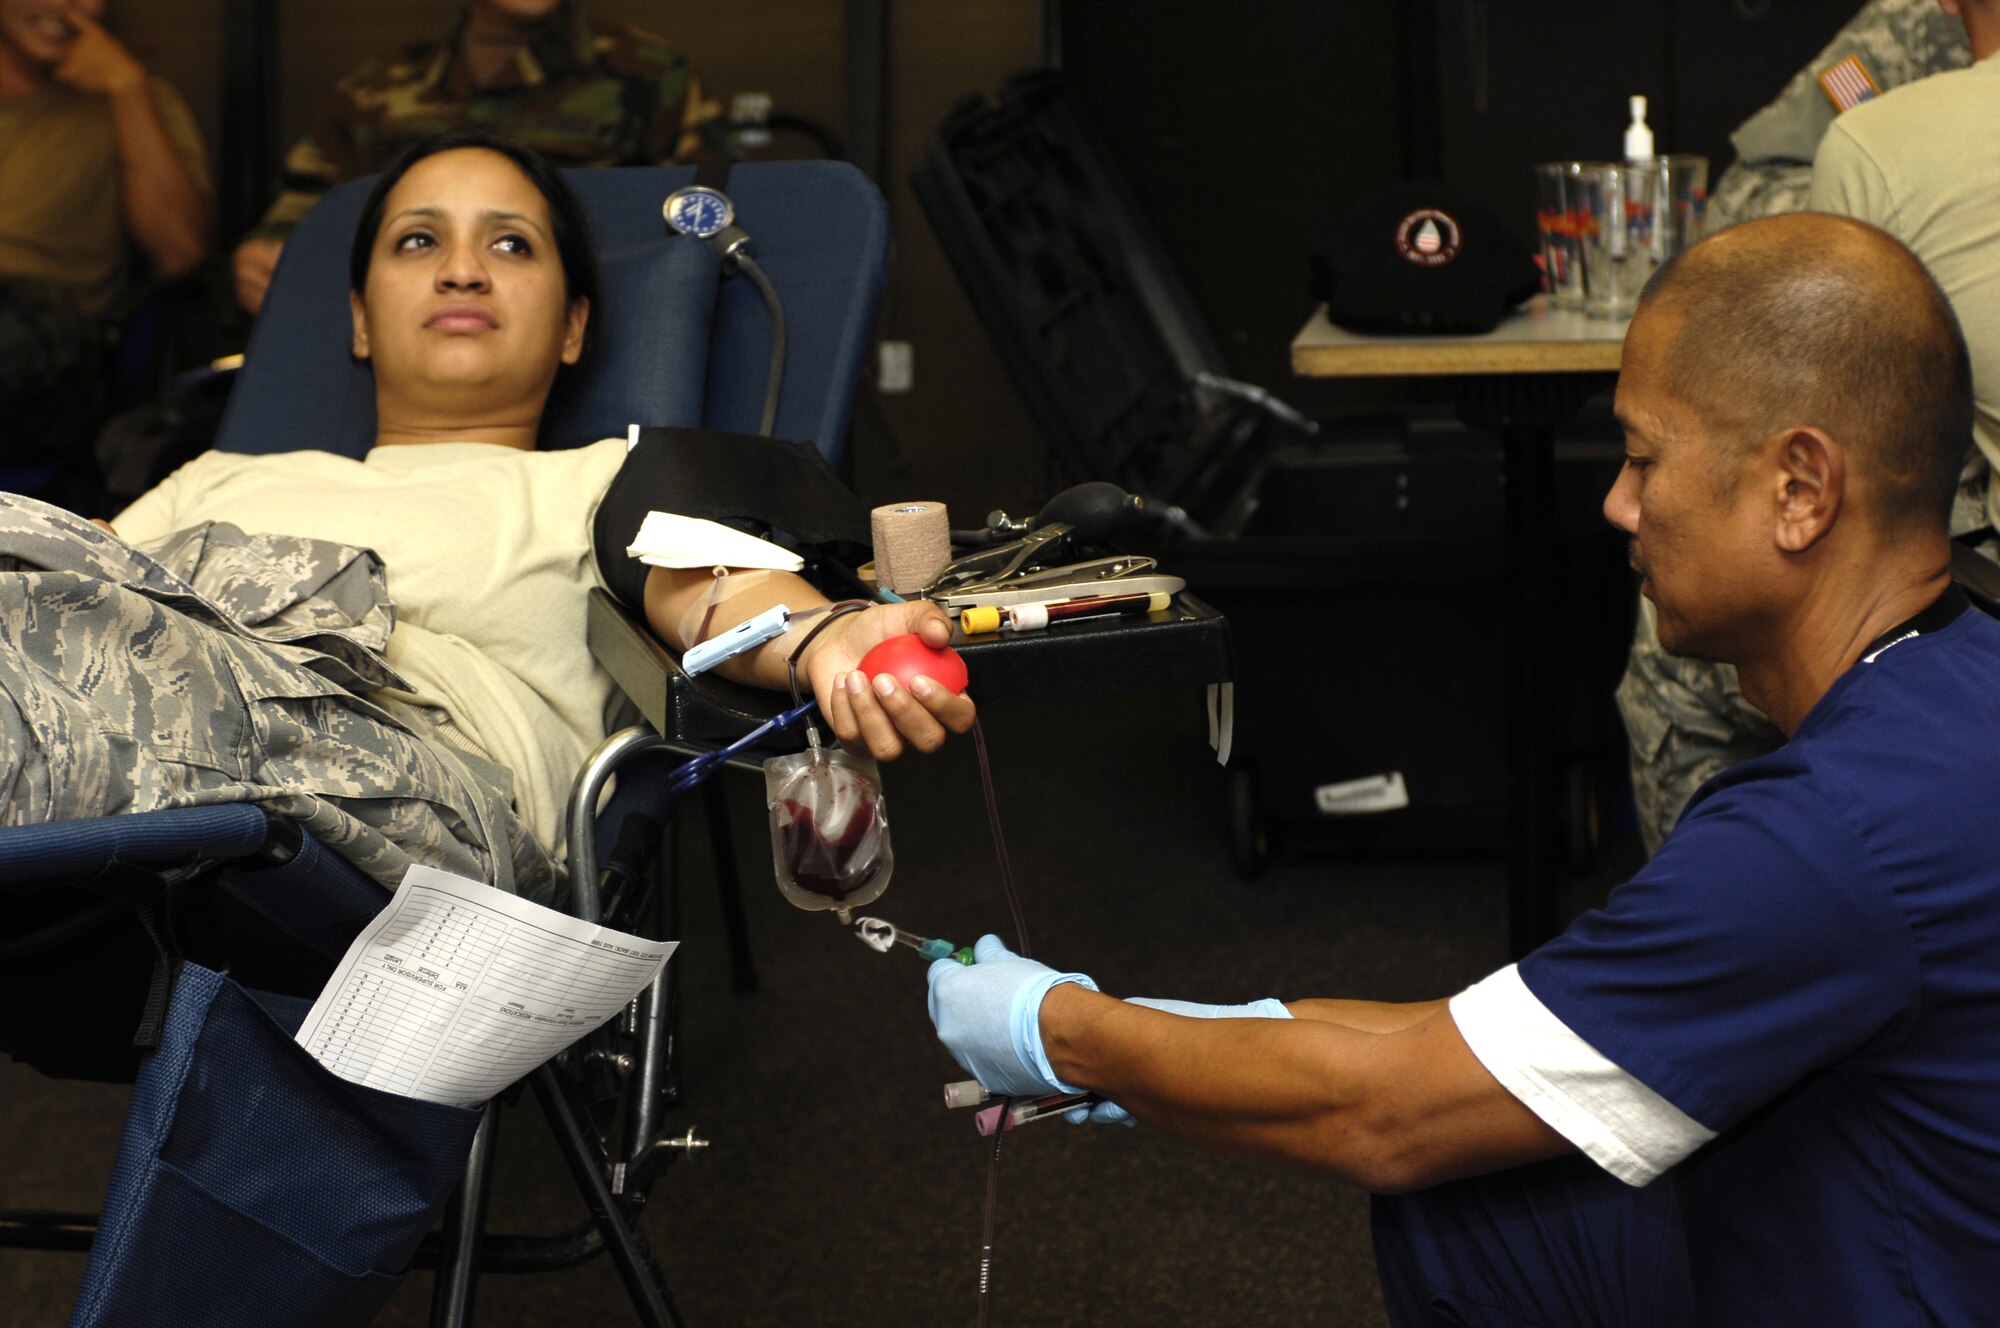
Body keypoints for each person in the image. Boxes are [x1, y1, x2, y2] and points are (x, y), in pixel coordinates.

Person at [928, 213, 2000, 1325]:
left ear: (1798, 489)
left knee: (1454, 1179)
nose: (1616, 503)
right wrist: (1199, 1027)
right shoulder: (1959, 672)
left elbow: (1388, 1116)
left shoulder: (1823, 837)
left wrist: (1062, 1034)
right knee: (1497, 1191)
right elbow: (1489, 1038)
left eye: (1641, 457)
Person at [3, 130, 971, 908]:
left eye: (510, 243)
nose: (462, 269)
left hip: (413, 780)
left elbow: (724, 592)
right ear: (358, 320)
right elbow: (53, 592)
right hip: (123, 730)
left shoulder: (603, 480)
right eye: (418, 240)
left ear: (574, 326)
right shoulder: (216, 473)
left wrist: (831, 638)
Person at [1620, 0, 1999, 852]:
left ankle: (1726, 931)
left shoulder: (1890, 132)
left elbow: (1788, 311)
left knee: (1695, 603)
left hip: (1974, 595)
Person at [231, 0, 714, 316]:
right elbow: (301, 219)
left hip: (592, 342)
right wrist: (266, 258)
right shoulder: (376, 88)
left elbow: (710, 222)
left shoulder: (647, 74)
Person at [0, 0, 210, 460]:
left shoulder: (136, 98)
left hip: (41, 342)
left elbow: (180, 253)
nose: (70, 6)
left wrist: (126, 87)